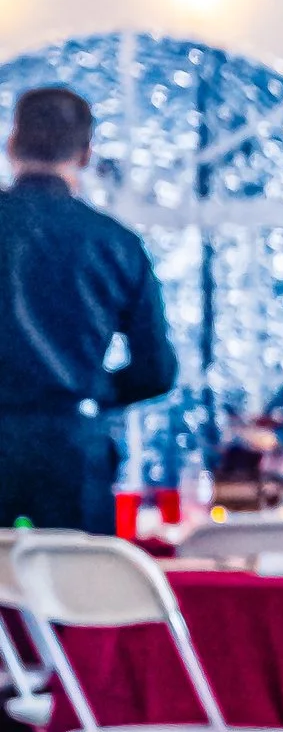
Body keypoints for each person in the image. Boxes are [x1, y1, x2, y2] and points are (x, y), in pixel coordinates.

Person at [0, 86, 175, 531]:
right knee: (75, 588)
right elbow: (157, 371)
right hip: (72, 451)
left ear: (11, 145)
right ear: (85, 155)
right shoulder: (116, 244)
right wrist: (90, 389)